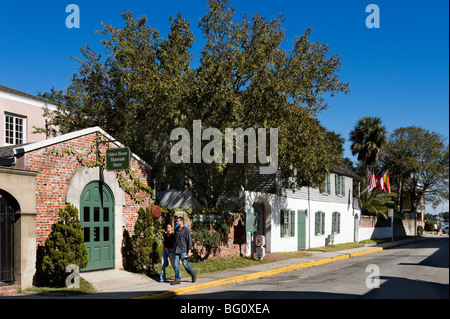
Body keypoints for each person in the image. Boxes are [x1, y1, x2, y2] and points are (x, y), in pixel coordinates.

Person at [171, 216, 196, 285]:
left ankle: (192, 273)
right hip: (176, 250)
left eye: (178, 221)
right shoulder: (176, 230)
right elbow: (174, 240)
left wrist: (189, 251)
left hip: (183, 250)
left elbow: (189, 241)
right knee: (176, 265)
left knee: (185, 264)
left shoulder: (186, 230)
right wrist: (173, 247)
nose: (177, 222)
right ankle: (177, 279)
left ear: (182, 221)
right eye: (176, 221)